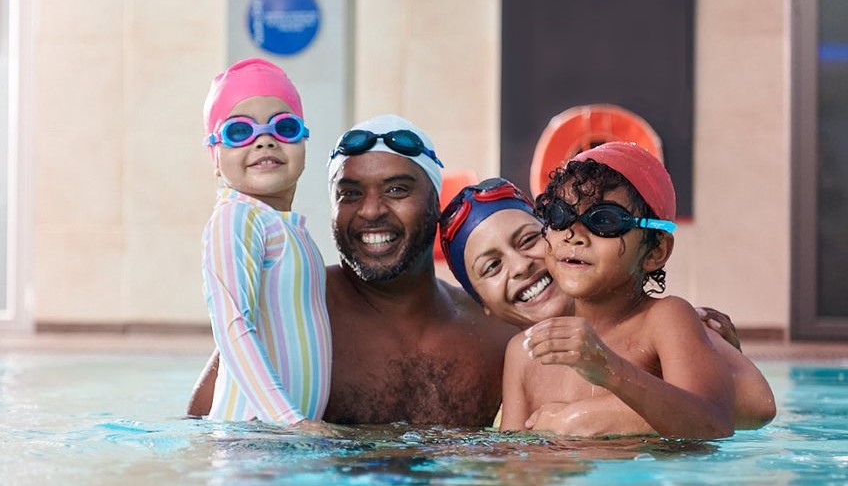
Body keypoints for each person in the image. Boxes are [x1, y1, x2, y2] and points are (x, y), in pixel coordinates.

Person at [189, 114, 516, 426]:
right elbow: (205, 435)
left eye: (397, 190)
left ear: (436, 203)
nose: (371, 211)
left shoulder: (493, 332)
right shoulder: (285, 309)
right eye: (350, 194)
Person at [439, 172, 775, 436]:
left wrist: (591, 416)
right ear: (482, 302)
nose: (521, 265)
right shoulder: (519, 353)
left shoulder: (660, 322)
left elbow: (751, 407)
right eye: (492, 267)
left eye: (528, 240)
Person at [199, 57, 331, 428]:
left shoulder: (292, 230)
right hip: (253, 440)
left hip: (279, 442)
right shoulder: (236, 216)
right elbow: (232, 326)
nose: (265, 140)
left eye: (284, 127)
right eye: (240, 132)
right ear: (215, 155)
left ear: (304, 141)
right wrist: (292, 422)